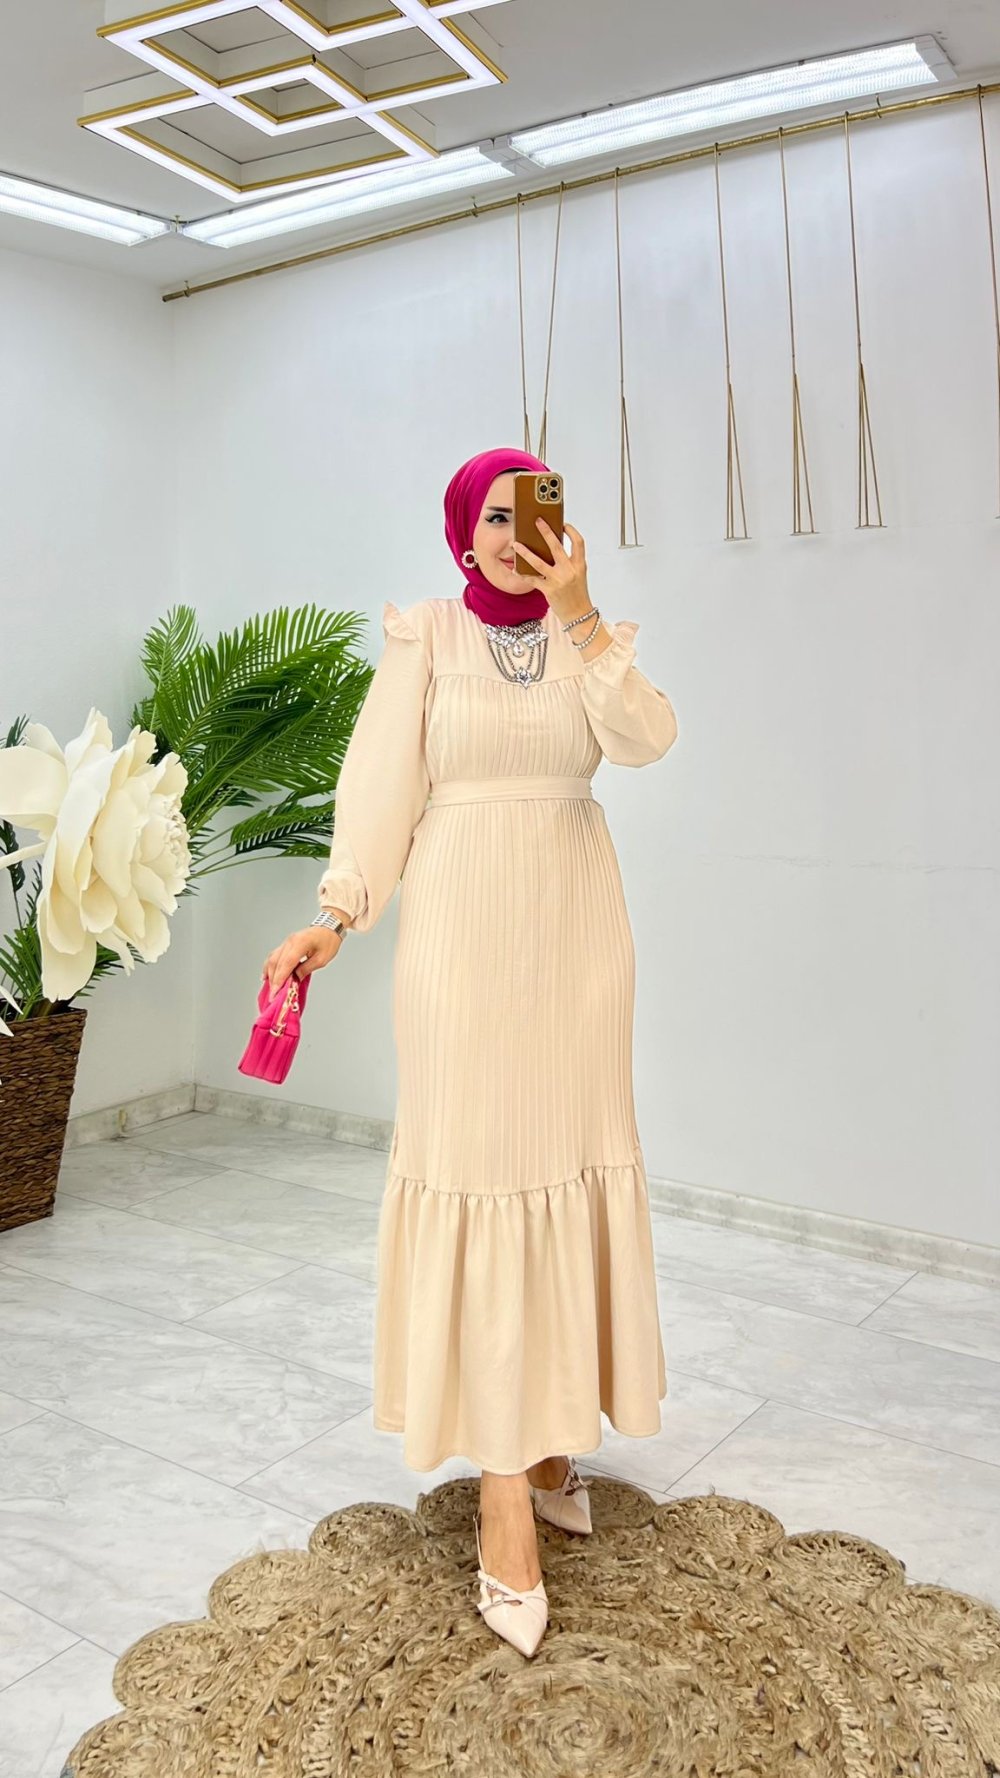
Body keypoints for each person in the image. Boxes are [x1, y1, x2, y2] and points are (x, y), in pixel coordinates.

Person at [264, 446, 679, 1658]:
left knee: (564, 1165)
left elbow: (646, 739)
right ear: (462, 529)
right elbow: (376, 790)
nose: (512, 532)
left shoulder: (586, 640)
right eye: (493, 515)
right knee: (483, 1173)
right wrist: (338, 912)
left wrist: (581, 613)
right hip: (459, 938)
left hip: (577, 940)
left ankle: (547, 1437)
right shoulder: (427, 638)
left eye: (532, 513)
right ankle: (504, 1489)